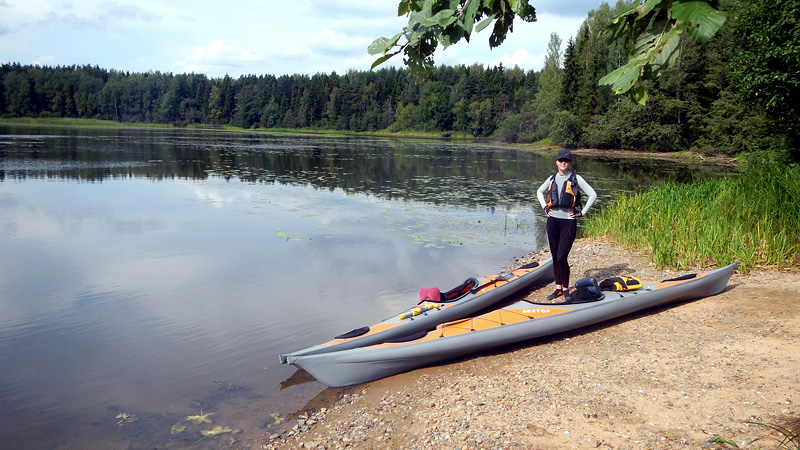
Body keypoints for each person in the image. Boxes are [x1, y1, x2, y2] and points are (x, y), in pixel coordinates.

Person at [536, 149, 597, 300]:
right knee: (555, 257)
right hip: (552, 221)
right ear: (556, 161)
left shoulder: (576, 178)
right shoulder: (551, 178)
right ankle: (557, 288)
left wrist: (582, 212)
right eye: (561, 160)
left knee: (562, 256)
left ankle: (565, 289)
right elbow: (539, 192)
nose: (563, 163)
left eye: (566, 161)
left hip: (568, 222)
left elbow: (593, 194)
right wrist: (545, 207)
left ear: (570, 163)